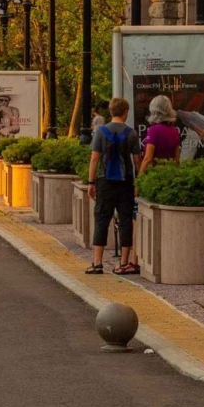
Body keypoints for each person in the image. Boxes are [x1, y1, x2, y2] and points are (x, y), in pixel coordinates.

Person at [86, 97, 140, 276]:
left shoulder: (101, 132)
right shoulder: (131, 134)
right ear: (126, 112)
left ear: (110, 112)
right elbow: (137, 161)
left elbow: (94, 158)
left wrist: (91, 182)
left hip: (104, 181)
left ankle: (97, 262)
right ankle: (124, 263)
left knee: (102, 218)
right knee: (125, 220)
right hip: (125, 182)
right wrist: (138, 182)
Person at [138, 94, 181, 176]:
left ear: (153, 110)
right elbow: (177, 160)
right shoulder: (174, 130)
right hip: (170, 175)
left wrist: (139, 180)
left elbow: (148, 158)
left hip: (156, 176)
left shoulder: (153, 130)